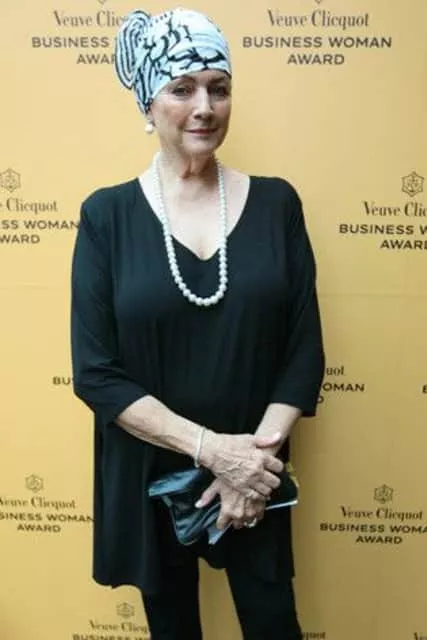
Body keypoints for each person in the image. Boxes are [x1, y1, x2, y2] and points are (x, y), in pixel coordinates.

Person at [71, 7, 325, 640]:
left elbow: (303, 353)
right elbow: (97, 375)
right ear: (148, 104)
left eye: (219, 87)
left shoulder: (277, 203)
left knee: (274, 625)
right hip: (150, 473)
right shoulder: (106, 216)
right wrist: (214, 452)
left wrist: (250, 468)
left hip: (258, 471)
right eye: (182, 89)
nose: (204, 107)